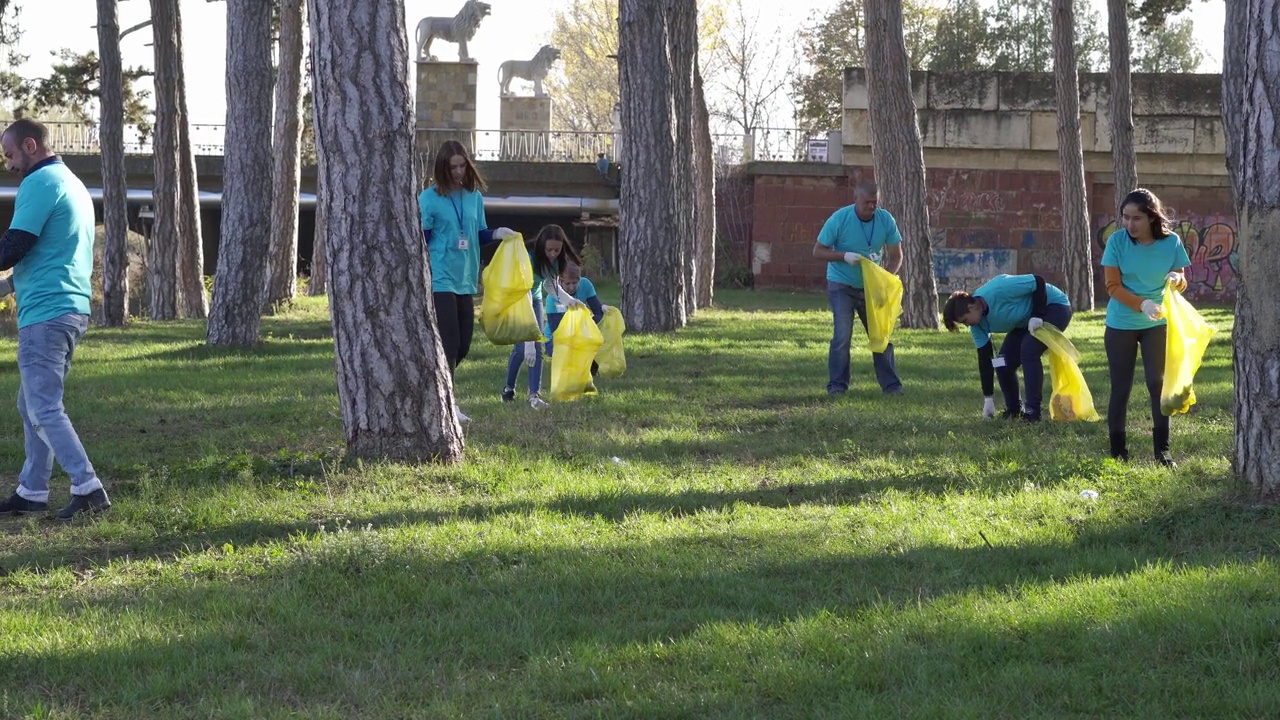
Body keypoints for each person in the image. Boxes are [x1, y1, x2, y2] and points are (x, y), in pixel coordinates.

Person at [0, 118, 110, 520]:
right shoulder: (72, 184)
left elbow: (14, 246)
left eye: (9, 154)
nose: (8, 164)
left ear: (30, 146)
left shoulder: (39, 183)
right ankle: (32, 490)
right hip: (67, 307)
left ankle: (88, 487)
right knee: (30, 402)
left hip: (46, 315)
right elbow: (44, 257)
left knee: (43, 407)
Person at [419, 140, 515, 423]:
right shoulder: (428, 198)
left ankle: (436, 385)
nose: (458, 172)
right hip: (440, 277)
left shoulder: (474, 198)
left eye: (462, 166)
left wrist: (498, 234)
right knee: (449, 341)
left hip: (466, 278)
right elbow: (420, 240)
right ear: (442, 169)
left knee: (463, 345)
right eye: (453, 167)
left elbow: (479, 233)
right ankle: (448, 404)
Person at [1101, 188, 1191, 467]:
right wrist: (1142, 305)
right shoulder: (1116, 242)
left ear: (1152, 217)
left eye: (1136, 218)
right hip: (1121, 324)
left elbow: (1182, 281)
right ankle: (1118, 453)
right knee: (1121, 388)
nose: (1129, 224)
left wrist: (1177, 279)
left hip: (1158, 323)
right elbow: (1112, 286)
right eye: (1125, 218)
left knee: (1158, 384)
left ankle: (1162, 452)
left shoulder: (1172, 242)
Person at [812, 181, 904, 396]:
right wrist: (843, 256)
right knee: (842, 336)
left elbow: (896, 256)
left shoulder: (885, 220)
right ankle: (837, 386)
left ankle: (892, 386)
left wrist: (884, 279)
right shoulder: (840, 219)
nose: (872, 207)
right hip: (841, 284)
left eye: (875, 202)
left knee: (881, 335)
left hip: (872, 287)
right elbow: (818, 251)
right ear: (856, 199)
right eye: (867, 203)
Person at [941, 274, 1073, 422]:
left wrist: (1037, 315)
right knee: (1002, 362)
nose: (967, 325)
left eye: (965, 320)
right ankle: (1014, 410)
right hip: (1025, 322)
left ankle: (1032, 413)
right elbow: (986, 360)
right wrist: (988, 398)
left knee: (1029, 350)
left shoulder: (999, 288)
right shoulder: (977, 326)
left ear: (971, 307)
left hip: (1053, 307)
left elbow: (1038, 281)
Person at [501, 224, 583, 408]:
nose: (553, 254)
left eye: (557, 250)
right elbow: (524, 294)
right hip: (518, 299)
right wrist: (529, 339)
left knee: (537, 349)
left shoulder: (556, 261)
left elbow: (550, 285)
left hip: (535, 298)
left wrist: (570, 300)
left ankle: (534, 396)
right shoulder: (529, 258)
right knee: (523, 350)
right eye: (549, 250)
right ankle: (508, 388)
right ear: (541, 246)